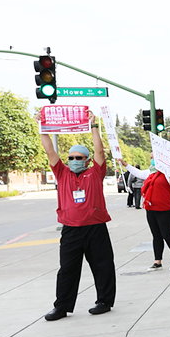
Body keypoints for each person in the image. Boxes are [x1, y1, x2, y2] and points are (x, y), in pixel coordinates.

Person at [37, 107, 116, 320]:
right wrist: (42, 128)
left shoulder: (94, 172)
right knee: (67, 270)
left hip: (95, 228)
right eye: (71, 157)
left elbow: (100, 152)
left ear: (87, 160)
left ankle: (104, 301)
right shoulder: (62, 173)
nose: (73, 160)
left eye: (78, 157)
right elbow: (49, 152)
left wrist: (93, 126)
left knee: (102, 266)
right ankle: (61, 307)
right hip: (71, 230)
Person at [139, 160, 170, 271]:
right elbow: (137, 173)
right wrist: (125, 164)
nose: (151, 160)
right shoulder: (151, 173)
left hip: (166, 209)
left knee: (167, 235)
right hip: (151, 209)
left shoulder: (169, 172)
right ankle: (157, 261)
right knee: (156, 235)